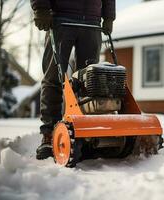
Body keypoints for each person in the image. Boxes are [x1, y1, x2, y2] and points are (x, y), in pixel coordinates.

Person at [30, 0, 116, 160]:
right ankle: (49, 134)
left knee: (90, 82)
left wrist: (109, 16)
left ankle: (87, 134)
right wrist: (41, 8)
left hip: (92, 20)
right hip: (61, 18)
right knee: (53, 76)